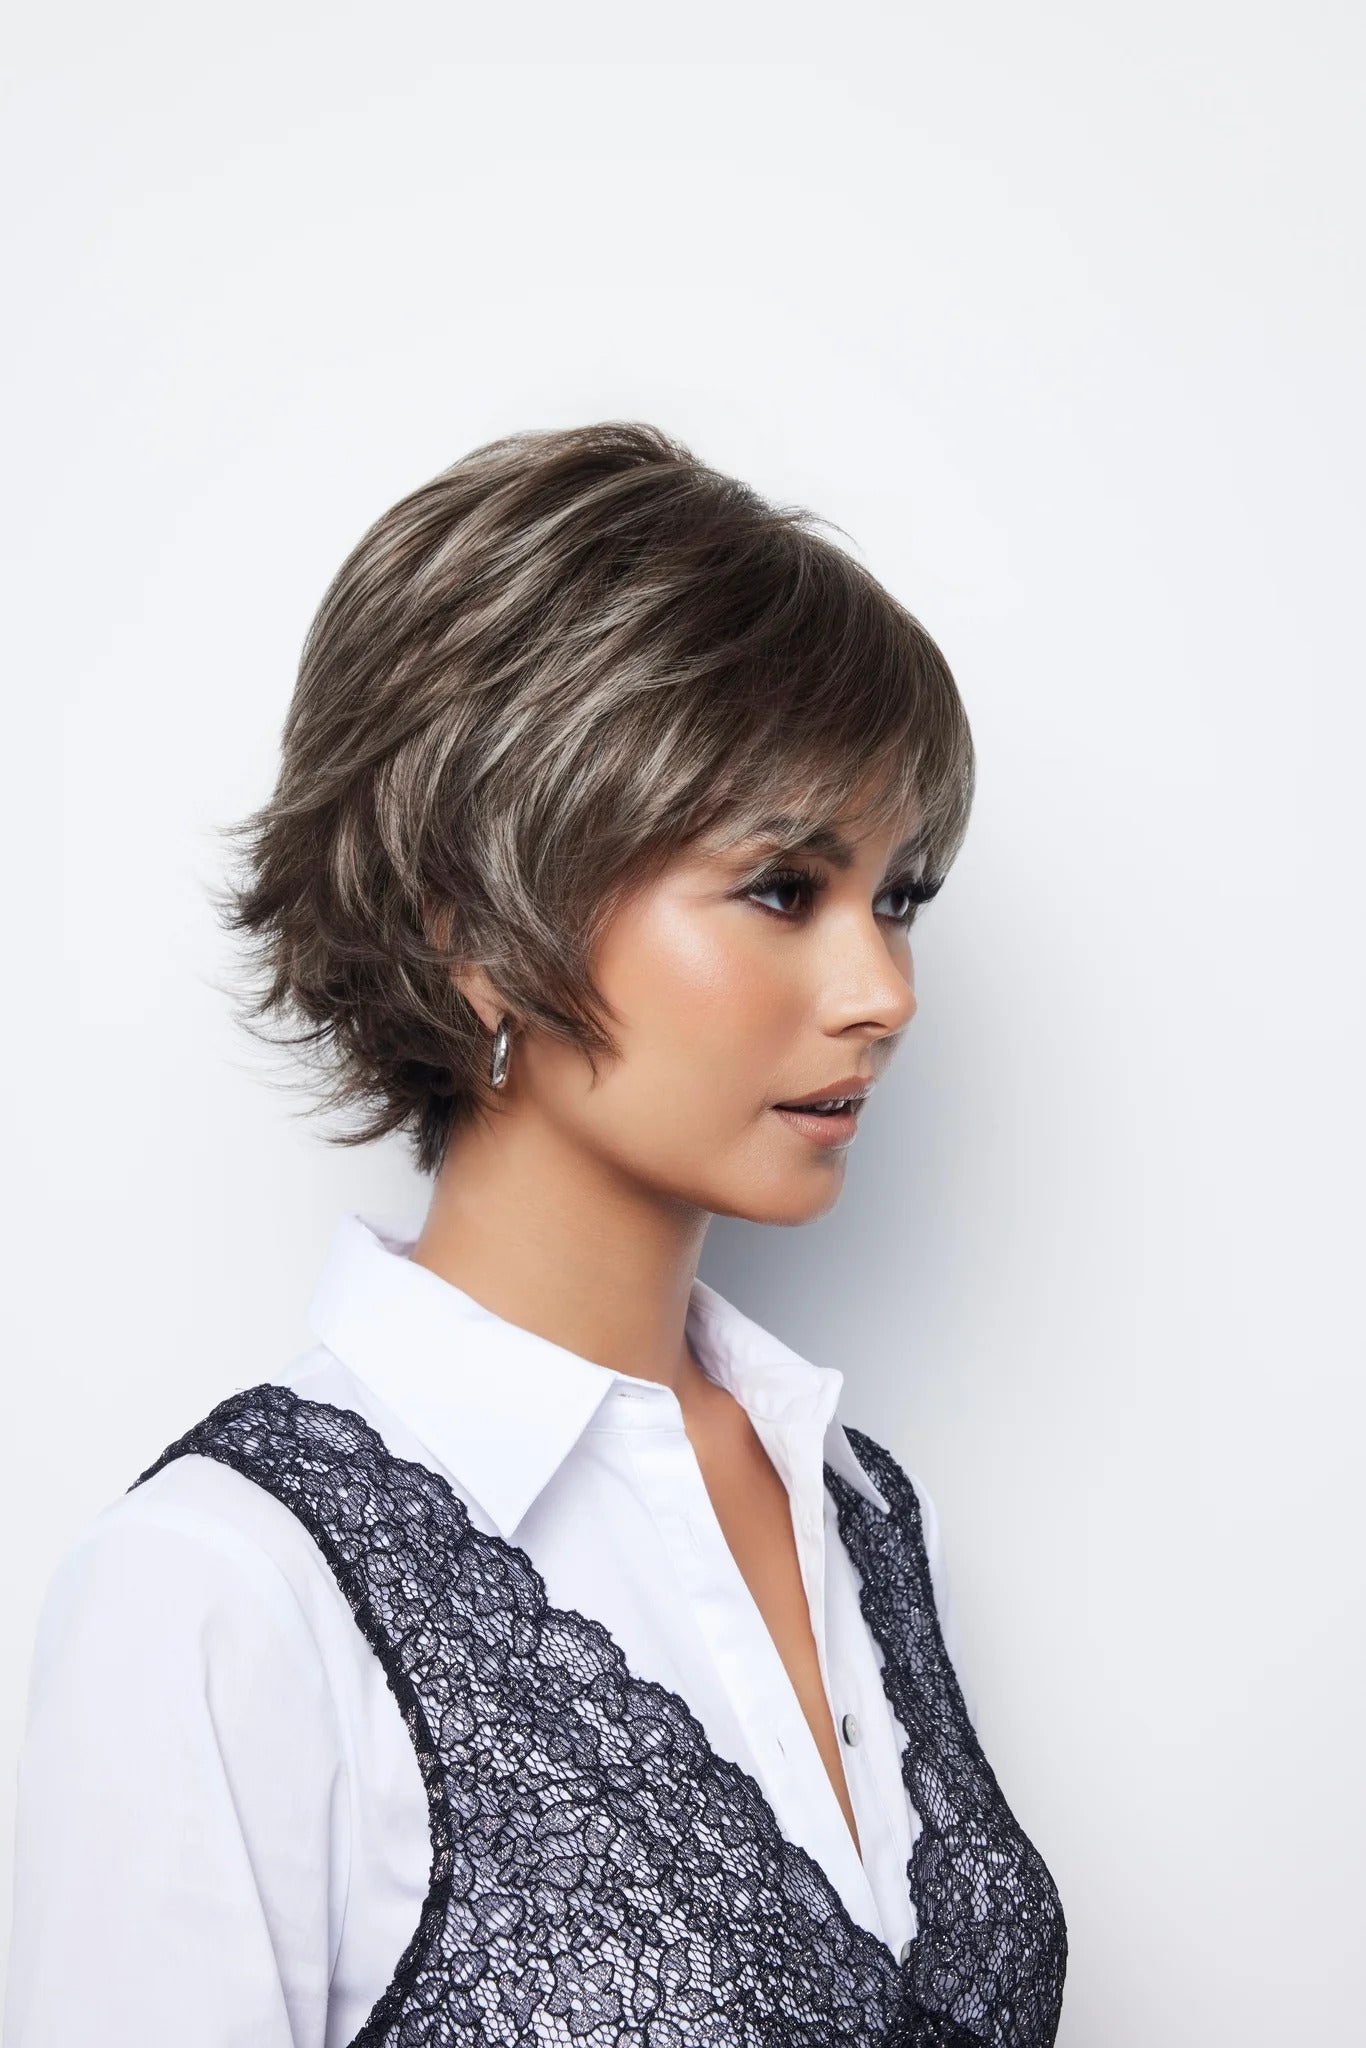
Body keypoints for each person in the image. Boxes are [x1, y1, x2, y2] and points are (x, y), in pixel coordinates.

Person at [4, 422, 1067, 2044]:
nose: (881, 992)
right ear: (476, 928)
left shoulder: (853, 1506)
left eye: (896, 897)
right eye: (784, 888)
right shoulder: (223, 1594)